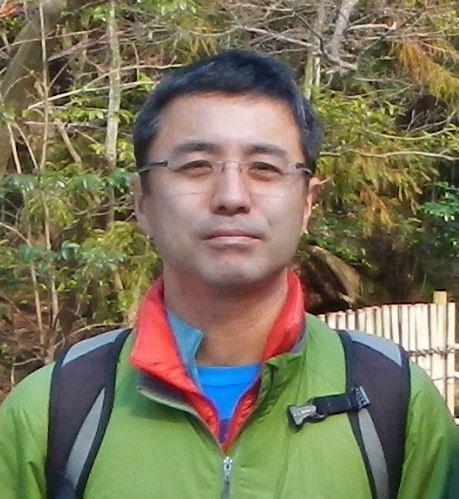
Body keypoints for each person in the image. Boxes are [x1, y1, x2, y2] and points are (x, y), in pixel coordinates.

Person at [0, 50, 457, 499]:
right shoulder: (53, 414)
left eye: (265, 169)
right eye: (195, 166)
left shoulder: (393, 401)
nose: (232, 196)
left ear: (307, 203)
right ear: (142, 201)